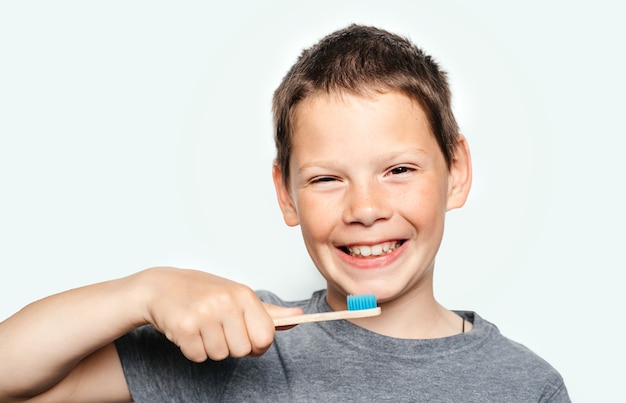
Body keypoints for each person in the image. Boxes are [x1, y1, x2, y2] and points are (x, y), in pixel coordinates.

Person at [0, 24, 570, 402]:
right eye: (326, 179)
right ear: (286, 194)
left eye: (398, 170)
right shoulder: (241, 344)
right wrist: (145, 290)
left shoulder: (527, 386)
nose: (365, 209)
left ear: (457, 171)